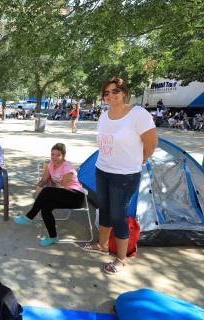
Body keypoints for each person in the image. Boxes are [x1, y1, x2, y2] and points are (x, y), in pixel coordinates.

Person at [83, 77, 157, 274]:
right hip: (102, 169)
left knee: (118, 215)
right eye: (106, 93)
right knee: (104, 209)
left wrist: (139, 160)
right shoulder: (104, 115)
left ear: (124, 92)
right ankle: (102, 245)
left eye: (115, 91)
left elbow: (151, 143)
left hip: (125, 175)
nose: (110, 96)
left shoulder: (138, 114)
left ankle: (121, 259)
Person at [13, 143, 85, 247]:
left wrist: (45, 192)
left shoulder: (67, 168)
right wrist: (38, 187)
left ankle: (30, 216)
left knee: (46, 191)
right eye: (52, 154)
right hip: (62, 196)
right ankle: (53, 237)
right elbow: (43, 180)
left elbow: (63, 187)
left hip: (75, 196)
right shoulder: (50, 165)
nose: (54, 157)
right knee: (45, 208)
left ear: (63, 156)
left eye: (58, 155)